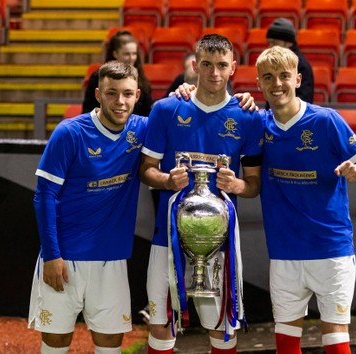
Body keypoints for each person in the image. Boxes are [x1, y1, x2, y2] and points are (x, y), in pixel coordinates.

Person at [139, 33, 264, 354]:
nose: (214, 73)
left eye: (222, 65)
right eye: (206, 64)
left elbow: (253, 184)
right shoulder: (167, 109)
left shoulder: (247, 116)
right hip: (166, 238)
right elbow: (146, 169)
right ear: (194, 65)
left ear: (233, 67)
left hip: (219, 241)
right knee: (160, 324)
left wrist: (237, 186)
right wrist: (167, 181)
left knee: (221, 327)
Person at [256, 45, 356, 353]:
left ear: (298, 79)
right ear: (259, 83)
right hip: (284, 253)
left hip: (330, 250)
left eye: (284, 76)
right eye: (268, 77)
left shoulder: (326, 121)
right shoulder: (257, 124)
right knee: (286, 345)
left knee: (336, 343)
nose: (277, 84)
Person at [28, 61, 148, 354]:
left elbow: (185, 114)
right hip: (65, 258)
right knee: (55, 343)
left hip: (112, 260)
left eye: (127, 94)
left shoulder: (142, 129)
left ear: (137, 95)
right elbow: (44, 195)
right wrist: (52, 255)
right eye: (111, 93)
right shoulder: (69, 132)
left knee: (110, 345)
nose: (120, 102)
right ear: (97, 94)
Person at [82, 30, 153, 116]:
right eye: (126, 54)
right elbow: (88, 110)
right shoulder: (98, 76)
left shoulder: (141, 78)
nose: (131, 58)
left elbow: (147, 111)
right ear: (115, 54)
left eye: (134, 54)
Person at [266, 17, 314, 103]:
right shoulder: (274, 63)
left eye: (274, 43)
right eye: (269, 43)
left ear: (288, 43)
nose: (270, 47)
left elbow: (304, 101)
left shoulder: (301, 66)